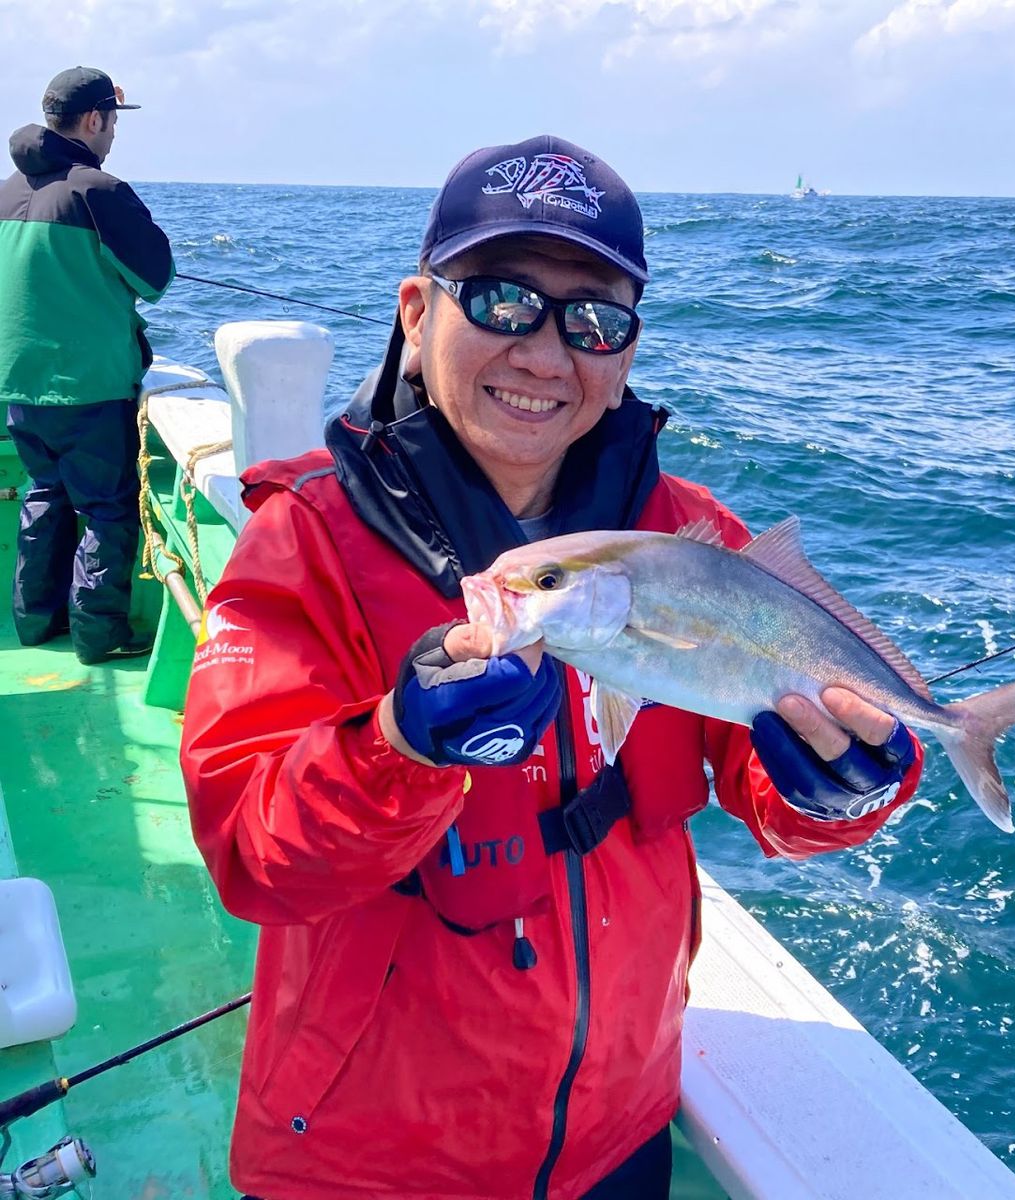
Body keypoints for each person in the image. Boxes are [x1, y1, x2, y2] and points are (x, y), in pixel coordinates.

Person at [180, 134, 925, 1200]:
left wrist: (844, 788)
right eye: (500, 301)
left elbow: (771, 797)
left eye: (593, 320)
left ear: (624, 352)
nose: (543, 352)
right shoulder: (304, 541)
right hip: (366, 1158)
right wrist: (399, 747)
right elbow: (255, 859)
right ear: (413, 310)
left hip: (619, 1124)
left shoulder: (692, 537)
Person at [0, 66, 174, 664]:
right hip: (91, 388)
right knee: (105, 508)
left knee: (43, 494)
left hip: (19, 387)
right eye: (113, 123)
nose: (113, 137)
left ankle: (34, 622)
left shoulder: (3, 191)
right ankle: (99, 637)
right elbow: (157, 278)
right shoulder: (99, 191)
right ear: (94, 119)